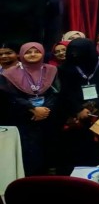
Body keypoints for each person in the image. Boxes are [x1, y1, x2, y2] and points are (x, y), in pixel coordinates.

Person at [57, 38, 99, 171]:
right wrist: (78, 109)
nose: (75, 54)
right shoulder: (65, 68)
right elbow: (65, 91)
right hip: (77, 114)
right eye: (72, 51)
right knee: (78, 146)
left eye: (79, 51)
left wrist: (98, 106)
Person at [0, 42, 60, 175]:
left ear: (43, 53)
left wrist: (45, 109)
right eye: (28, 52)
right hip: (23, 118)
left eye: (36, 51)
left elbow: (56, 92)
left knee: (49, 148)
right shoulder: (9, 73)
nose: (33, 54)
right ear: (21, 54)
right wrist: (32, 109)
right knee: (29, 152)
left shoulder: (51, 70)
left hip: (48, 116)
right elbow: (10, 96)